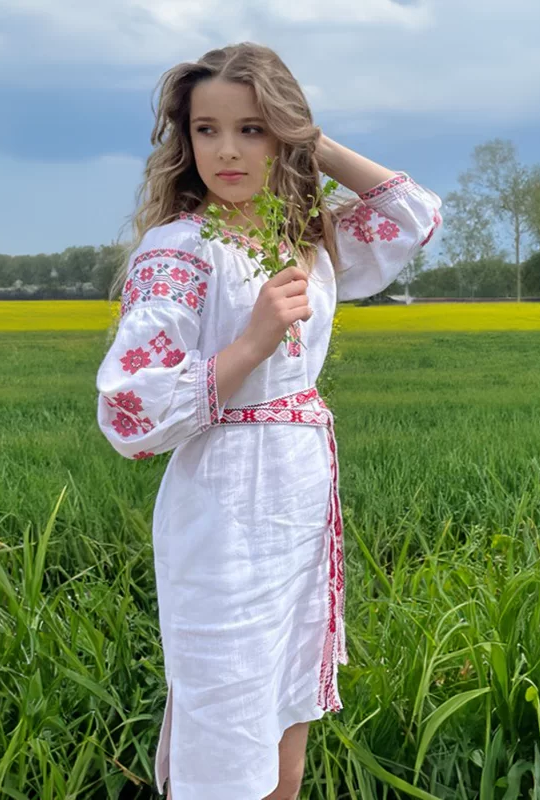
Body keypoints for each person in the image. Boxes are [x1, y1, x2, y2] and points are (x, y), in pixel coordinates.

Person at [95, 42, 442, 800]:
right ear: (185, 140)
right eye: (206, 129)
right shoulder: (179, 250)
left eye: (251, 129)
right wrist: (250, 343)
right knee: (226, 708)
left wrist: (311, 142)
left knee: (287, 719)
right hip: (222, 509)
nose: (226, 150)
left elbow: (414, 214)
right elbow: (129, 409)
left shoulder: (307, 239)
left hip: (297, 499)